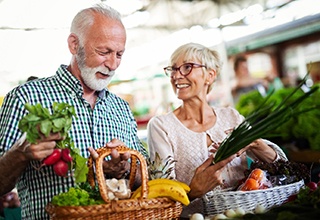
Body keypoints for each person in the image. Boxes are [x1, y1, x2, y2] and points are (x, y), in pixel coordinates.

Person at [0, 4, 147, 219]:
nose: (113, 64)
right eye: (104, 52)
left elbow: (144, 181)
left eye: (119, 54)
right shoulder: (25, 98)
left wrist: (125, 170)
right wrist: (20, 154)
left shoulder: (121, 108)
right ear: (74, 44)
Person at [147, 43, 287, 218]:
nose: (176, 75)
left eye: (187, 67)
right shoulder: (161, 126)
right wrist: (193, 191)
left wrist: (255, 144)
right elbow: (162, 197)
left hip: (248, 214)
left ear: (210, 75)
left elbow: (283, 167)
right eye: (173, 69)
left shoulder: (232, 117)